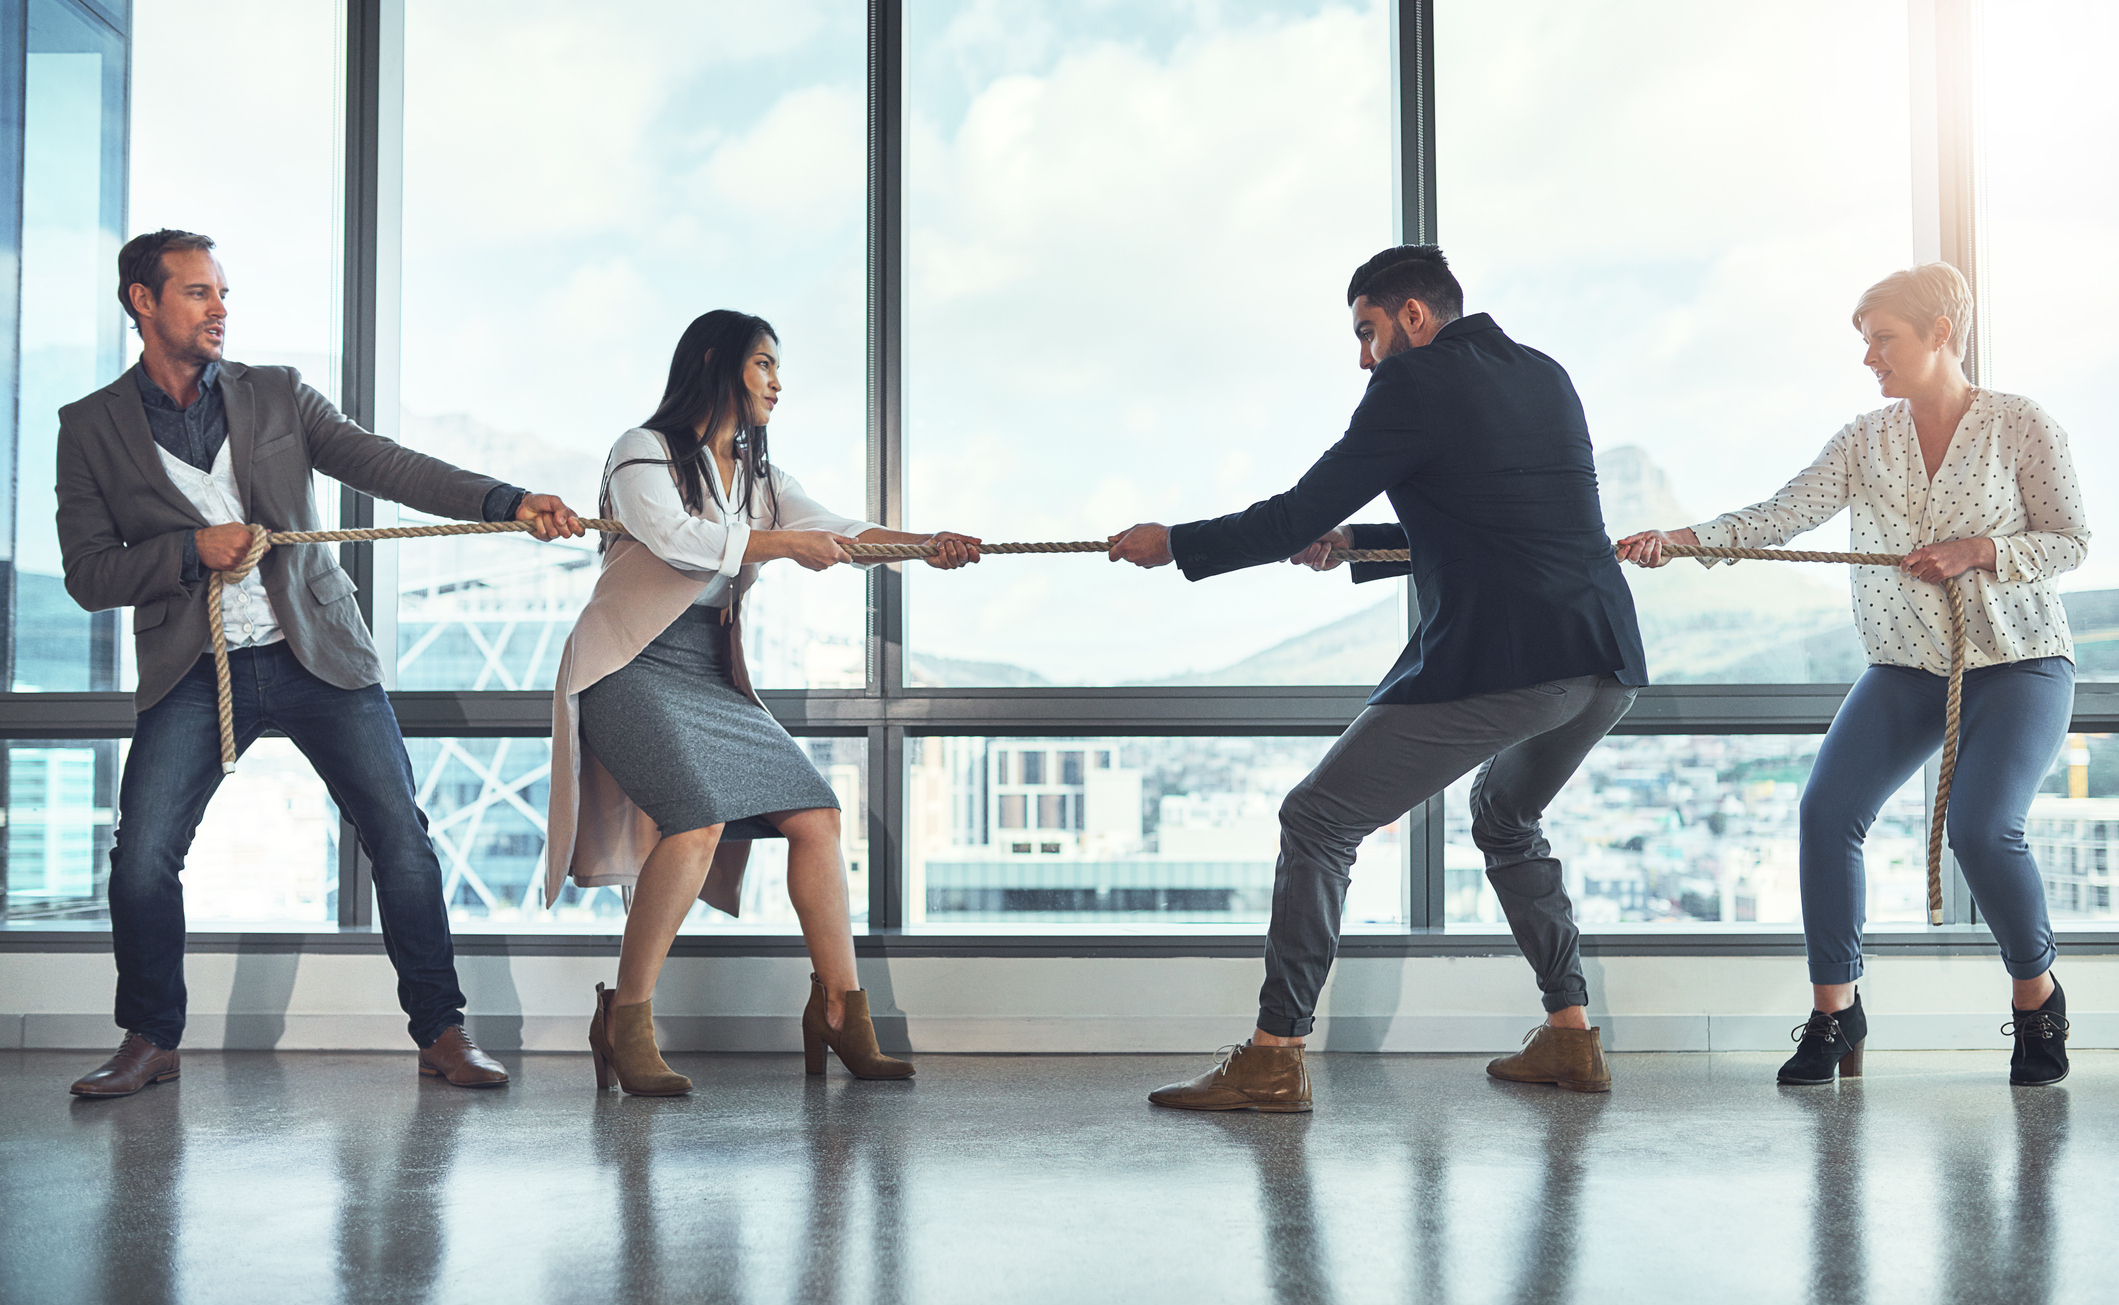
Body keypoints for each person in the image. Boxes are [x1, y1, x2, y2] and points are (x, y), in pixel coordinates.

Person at [1110, 245, 1648, 1111]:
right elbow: (1493, 523)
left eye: (1366, 331)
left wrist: (1175, 541)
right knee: (1504, 817)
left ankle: (1273, 1057)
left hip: (1511, 659)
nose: (1363, 358)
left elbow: (1294, 510)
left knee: (1317, 818)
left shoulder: (1414, 383)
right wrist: (1356, 545)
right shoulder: (1544, 374)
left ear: (1410, 315)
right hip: (1603, 659)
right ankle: (1571, 1038)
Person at [56, 228, 586, 1097]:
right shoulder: (89, 429)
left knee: (401, 842)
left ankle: (443, 1032)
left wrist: (506, 501)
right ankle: (149, 1039)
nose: (220, 308)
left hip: (319, 655)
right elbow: (88, 575)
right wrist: (193, 547)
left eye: (223, 292)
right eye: (198, 292)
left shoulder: (276, 395)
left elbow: (386, 465)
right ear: (142, 302)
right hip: (195, 667)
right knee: (142, 856)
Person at [1617, 262, 2088, 1088]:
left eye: (1882, 339)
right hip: (1905, 667)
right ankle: (1836, 1011)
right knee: (1826, 811)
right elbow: (1779, 515)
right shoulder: (1862, 440)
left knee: (1980, 830)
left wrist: (1979, 551)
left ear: (1940, 331)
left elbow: (2070, 540)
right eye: (1864, 342)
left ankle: (2035, 998)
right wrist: (1682, 538)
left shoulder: (2021, 425)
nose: (1868, 358)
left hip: (2019, 663)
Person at [545, 310, 981, 1095]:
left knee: (816, 818)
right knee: (697, 820)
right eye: (763, 364)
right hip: (628, 665)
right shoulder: (640, 451)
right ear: (716, 362)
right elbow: (674, 537)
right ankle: (626, 1020)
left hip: (710, 670)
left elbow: (838, 531)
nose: (777, 382)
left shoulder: (760, 477)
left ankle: (842, 1016)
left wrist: (922, 545)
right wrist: (780, 545)